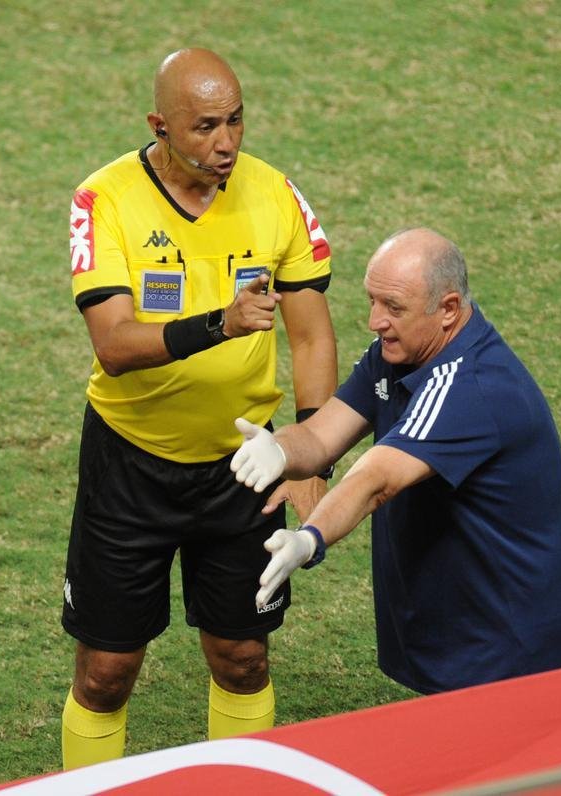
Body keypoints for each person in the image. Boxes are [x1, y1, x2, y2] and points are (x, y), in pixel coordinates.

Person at [61, 48, 337, 768]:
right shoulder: (105, 199)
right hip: (130, 465)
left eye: (236, 120)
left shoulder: (278, 196)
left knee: (243, 657)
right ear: (160, 125)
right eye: (206, 126)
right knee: (106, 673)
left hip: (243, 466)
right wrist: (220, 323)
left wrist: (314, 447)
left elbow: (311, 337)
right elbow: (114, 345)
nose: (227, 143)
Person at [231, 228, 561, 695]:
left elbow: (377, 478)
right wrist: (280, 448)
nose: (374, 321)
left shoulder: (472, 387)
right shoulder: (396, 355)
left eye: (393, 308)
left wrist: (309, 539)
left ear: (447, 310)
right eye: (372, 301)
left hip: (515, 646)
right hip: (462, 624)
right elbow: (322, 435)